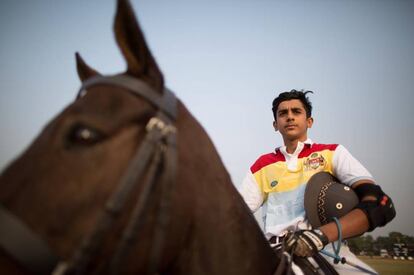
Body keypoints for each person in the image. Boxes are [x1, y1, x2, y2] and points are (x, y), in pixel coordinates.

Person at [239, 90, 395, 274]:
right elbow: (233, 214)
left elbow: (379, 203)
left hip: (327, 248)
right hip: (276, 252)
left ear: (309, 121)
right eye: (283, 113)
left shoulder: (333, 153)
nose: (289, 117)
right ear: (275, 124)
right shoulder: (261, 165)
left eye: (296, 112)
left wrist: (322, 235)